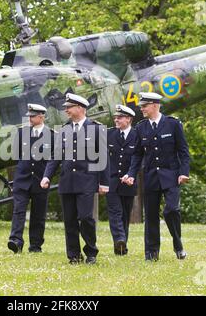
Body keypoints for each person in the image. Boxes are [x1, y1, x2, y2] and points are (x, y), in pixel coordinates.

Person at [40, 93, 109, 265]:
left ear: (80, 108)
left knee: (86, 218)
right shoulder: (63, 130)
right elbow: (55, 156)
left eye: (69, 107)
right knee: (69, 220)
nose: (66, 110)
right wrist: (47, 176)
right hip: (67, 181)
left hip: (87, 181)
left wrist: (104, 183)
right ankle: (74, 255)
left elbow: (103, 158)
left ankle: (91, 252)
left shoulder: (96, 128)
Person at [125, 92, 190, 261]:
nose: (141, 109)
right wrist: (131, 174)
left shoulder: (173, 124)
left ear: (155, 105)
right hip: (151, 177)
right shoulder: (141, 127)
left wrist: (184, 172)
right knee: (151, 216)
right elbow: (137, 155)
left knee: (171, 210)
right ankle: (151, 253)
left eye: (144, 106)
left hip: (172, 176)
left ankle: (178, 244)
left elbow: (183, 151)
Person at [8, 103, 54, 254]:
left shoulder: (52, 135)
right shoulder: (21, 133)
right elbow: (16, 156)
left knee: (38, 214)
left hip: (40, 180)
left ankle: (35, 245)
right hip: (22, 179)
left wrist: (47, 177)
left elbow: (53, 160)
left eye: (33, 116)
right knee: (18, 210)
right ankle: (16, 240)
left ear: (42, 117)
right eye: (29, 116)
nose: (30, 119)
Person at [106, 104, 138, 256]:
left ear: (129, 119)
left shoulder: (137, 135)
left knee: (125, 214)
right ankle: (119, 238)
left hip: (129, 182)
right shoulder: (109, 134)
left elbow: (140, 159)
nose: (116, 119)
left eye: (119, 117)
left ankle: (122, 246)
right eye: (115, 117)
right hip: (111, 181)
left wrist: (131, 174)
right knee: (115, 212)